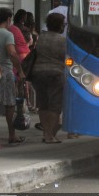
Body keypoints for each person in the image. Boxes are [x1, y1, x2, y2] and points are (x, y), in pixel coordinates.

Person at [0, 8, 25, 145]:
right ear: (9, 19)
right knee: (10, 104)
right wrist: (20, 71)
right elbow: (12, 53)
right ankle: (12, 134)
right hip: (5, 71)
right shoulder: (8, 34)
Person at [32, 13, 67, 144]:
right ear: (59, 25)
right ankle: (51, 135)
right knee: (55, 106)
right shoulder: (62, 41)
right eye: (63, 24)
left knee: (43, 104)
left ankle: (46, 133)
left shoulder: (41, 37)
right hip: (55, 74)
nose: (64, 26)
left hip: (38, 73)